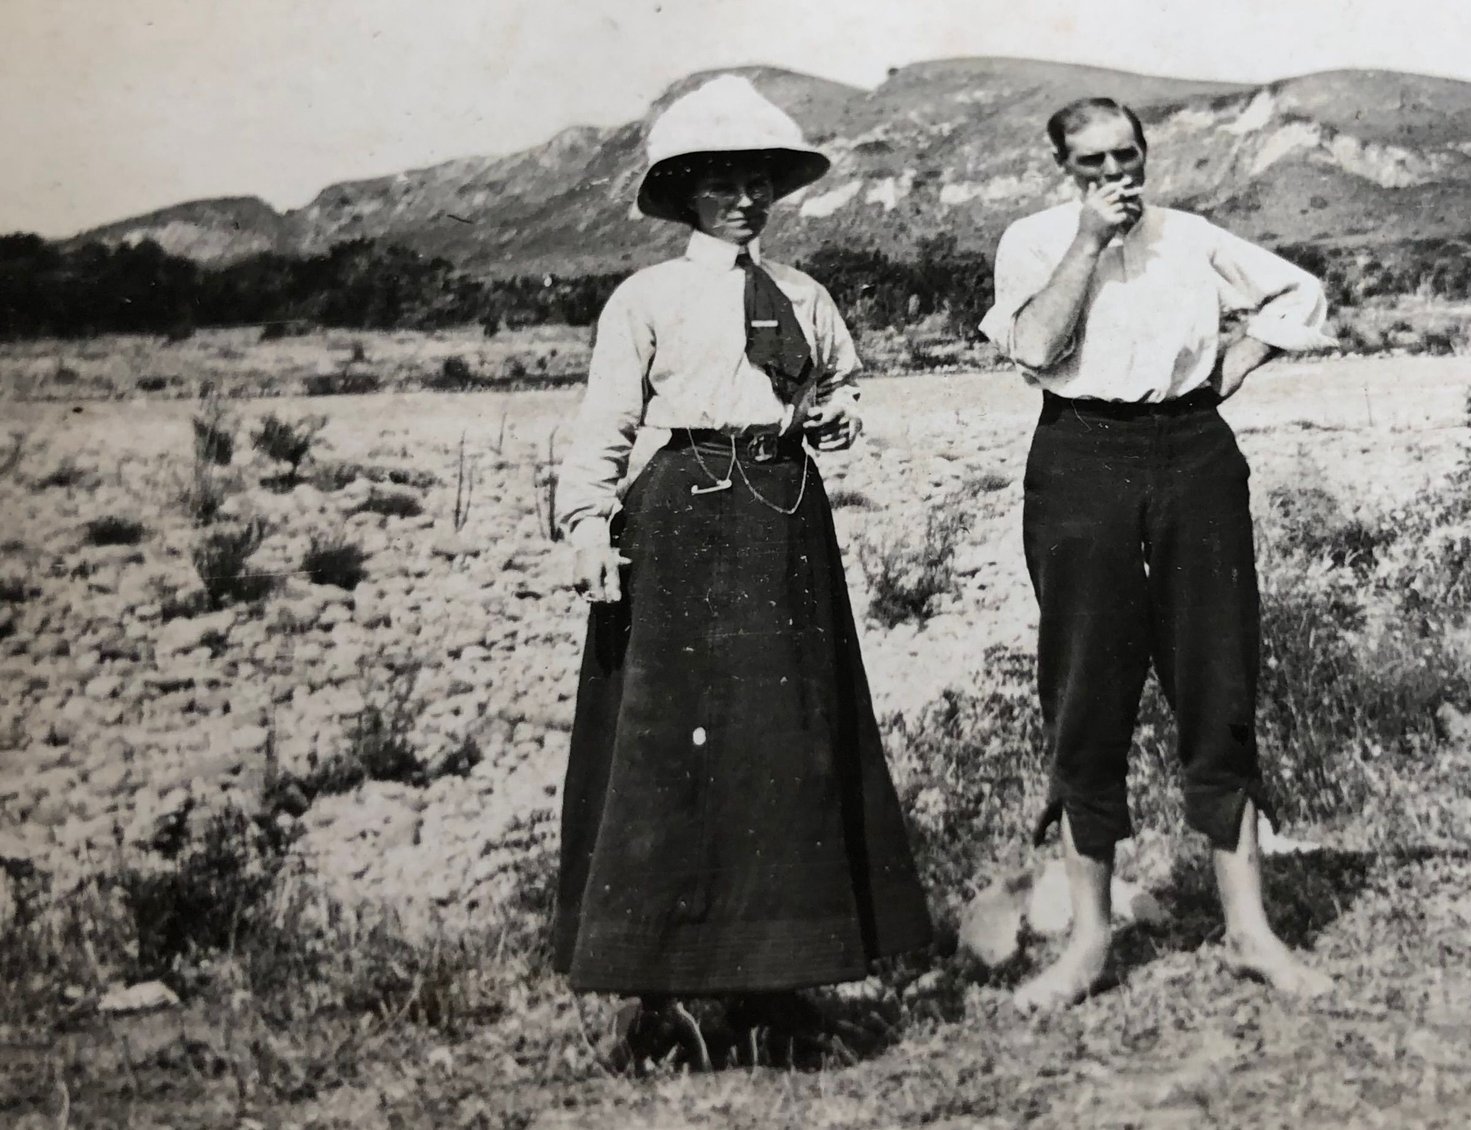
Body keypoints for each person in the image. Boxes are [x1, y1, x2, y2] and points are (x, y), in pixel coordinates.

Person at [550, 75, 932, 1063]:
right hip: (681, 517)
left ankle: (782, 983)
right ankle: (658, 992)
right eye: (722, 182)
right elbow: (605, 422)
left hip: (785, 517)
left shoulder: (804, 295)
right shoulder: (646, 298)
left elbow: (840, 390)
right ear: (686, 193)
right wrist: (587, 524)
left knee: (783, 742)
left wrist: (837, 418)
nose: (745, 199)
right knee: (666, 750)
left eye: (758, 181)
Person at [978, 96, 1337, 1011]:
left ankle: (1249, 931)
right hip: (1081, 455)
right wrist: (1089, 240)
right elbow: (1033, 347)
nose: (1114, 175)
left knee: (1219, 677)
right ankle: (1090, 943)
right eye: (1092, 162)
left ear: (1146, 153)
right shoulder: (1034, 240)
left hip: (1194, 451)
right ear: (1064, 167)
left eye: (1126, 157)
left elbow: (1299, 293)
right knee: (1085, 686)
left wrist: (1235, 364)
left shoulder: (1190, 235)